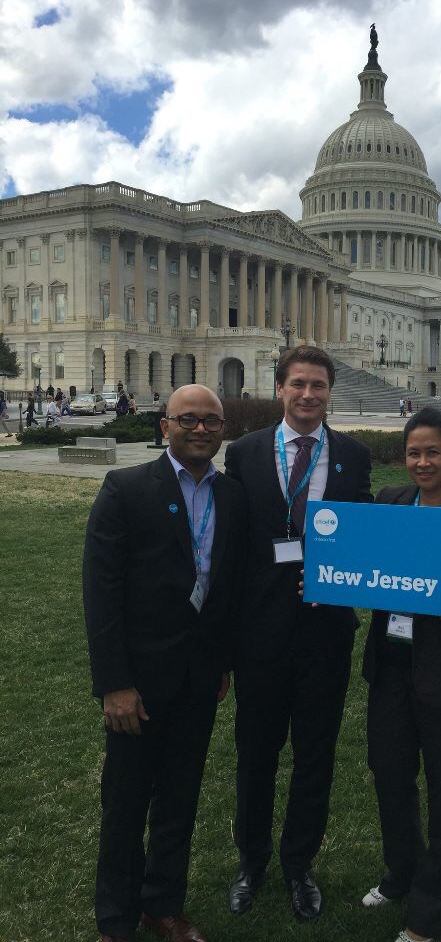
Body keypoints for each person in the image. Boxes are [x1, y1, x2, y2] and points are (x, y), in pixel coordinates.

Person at [83, 384, 247, 942]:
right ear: (165, 426)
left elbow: (223, 589)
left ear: (223, 430)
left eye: (211, 422)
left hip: (199, 677)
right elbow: (101, 593)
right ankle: (115, 919)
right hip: (139, 682)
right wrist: (114, 683)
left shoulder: (232, 497)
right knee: (126, 803)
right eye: (188, 420)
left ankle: (162, 904)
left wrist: (221, 662)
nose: (200, 430)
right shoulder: (126, 488)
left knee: (180, 798)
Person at [224, 345, 372, 922]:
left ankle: (298, 863)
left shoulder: (353, 455)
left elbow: (360, 531)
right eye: (299, 385)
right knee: (255, 754)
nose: (309, 395)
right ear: (280, 388)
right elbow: (235, 544)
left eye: (319, 386)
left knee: (316, 755)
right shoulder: (246, 452)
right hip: (259, 631)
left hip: (325, 632)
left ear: (329, 391)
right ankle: (251, 860)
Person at [361, 407, 441, 942]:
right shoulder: (391, 502)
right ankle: (402, 872)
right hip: (390, 666)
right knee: (390, 774)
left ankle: (434, 911)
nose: (422, 462)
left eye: (433, 451)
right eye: (414, 452)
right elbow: (358, 559)